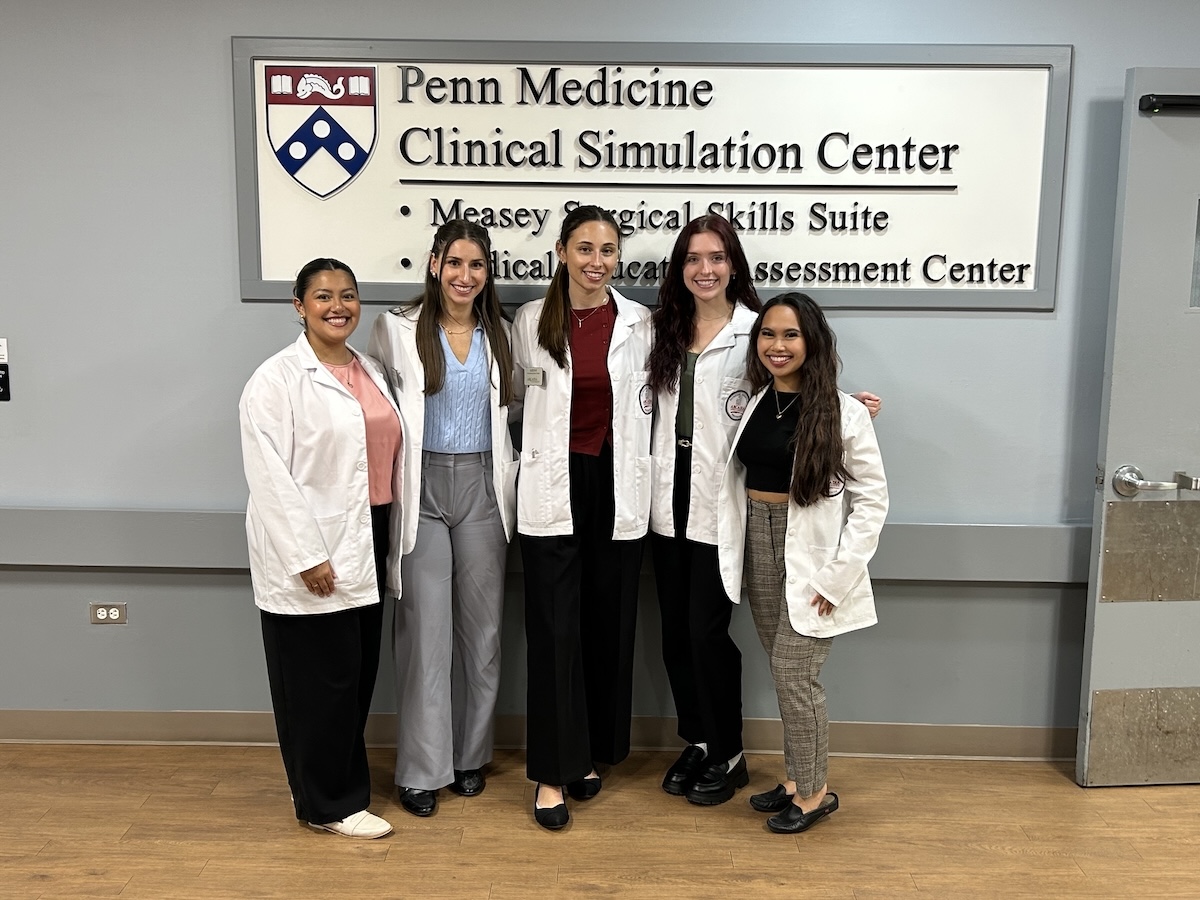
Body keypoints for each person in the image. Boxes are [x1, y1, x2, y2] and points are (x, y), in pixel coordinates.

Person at [648, 216, 881, 807]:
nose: (705, 268)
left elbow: (807, 390)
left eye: (717, 257)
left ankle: (730, 751)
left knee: (711, 639)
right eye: (693, 257)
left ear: (734, 266)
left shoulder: (757, 329)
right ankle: (701, 740)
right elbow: (771, 405)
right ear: (680, 268)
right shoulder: (661, 329)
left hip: (721, 511)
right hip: (665, 503)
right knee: (676, 637)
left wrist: (847, 405)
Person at [239, 258, 403, 840]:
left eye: (349, 295)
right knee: (317, 684)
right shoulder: (277, 379)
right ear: (299, 305)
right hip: (312, 549)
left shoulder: (371, 370)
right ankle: (328, 804)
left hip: (369, 536)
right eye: (324, 296)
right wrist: (306, 555)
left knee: (353, 676)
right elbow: (269, 476)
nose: (339, 306)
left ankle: (337, 789)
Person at [716, 292, 888, 835]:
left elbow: (872, 501)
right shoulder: (755, 401)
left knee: (796, 676)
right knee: (781, 669)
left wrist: (839, 576)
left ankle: (814, 793)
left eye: (790, 335)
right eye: (769, 334)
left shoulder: (844, 411)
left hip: (814, 559)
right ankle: (794, 780)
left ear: (812, 341)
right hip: (759, 550)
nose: (778, 345)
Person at [367, 220, 516, 818]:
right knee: (425, 633)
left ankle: (470, 757)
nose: (464, 275)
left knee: (482, 633)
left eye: (476, 265)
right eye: (454, 263)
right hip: (422, 487)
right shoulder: (397, 330)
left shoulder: (502, 334)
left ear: (487, 274)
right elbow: (375, 410)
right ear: (434, 265)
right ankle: (422, 770)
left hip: (483, 485)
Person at [511, 204, 654, 830]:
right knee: (552, 631)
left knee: (604, 624)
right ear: (563, 252)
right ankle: (550, 773)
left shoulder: (639, 322)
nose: (597, 262)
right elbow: (514, 399)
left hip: (614, 483)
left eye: (608, 251)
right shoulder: (528, 320)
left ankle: (587, 755)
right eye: (585, 249)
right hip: (551, 483)